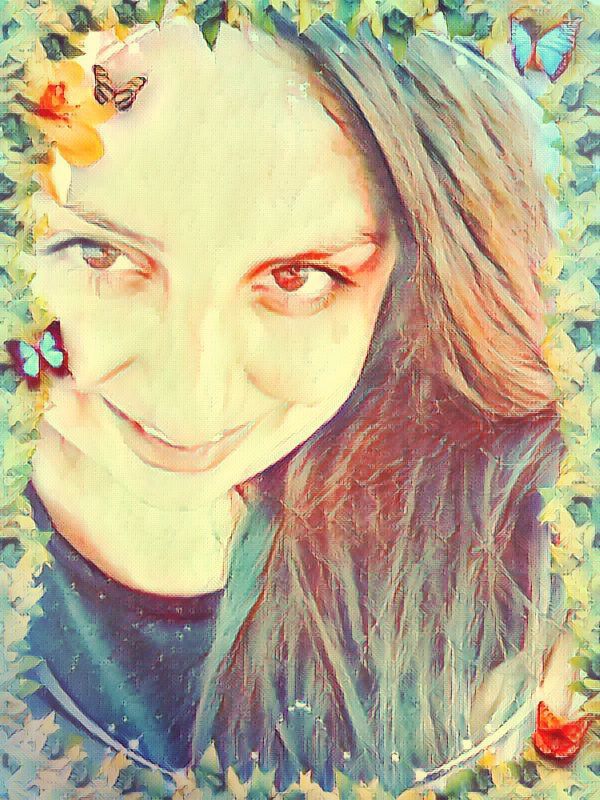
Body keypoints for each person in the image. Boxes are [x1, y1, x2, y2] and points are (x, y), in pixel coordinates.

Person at [22, 7, 574, 794]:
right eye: (99, 254)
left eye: (296, 277)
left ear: (408, 281)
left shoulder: (523, 552)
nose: (187, 406)